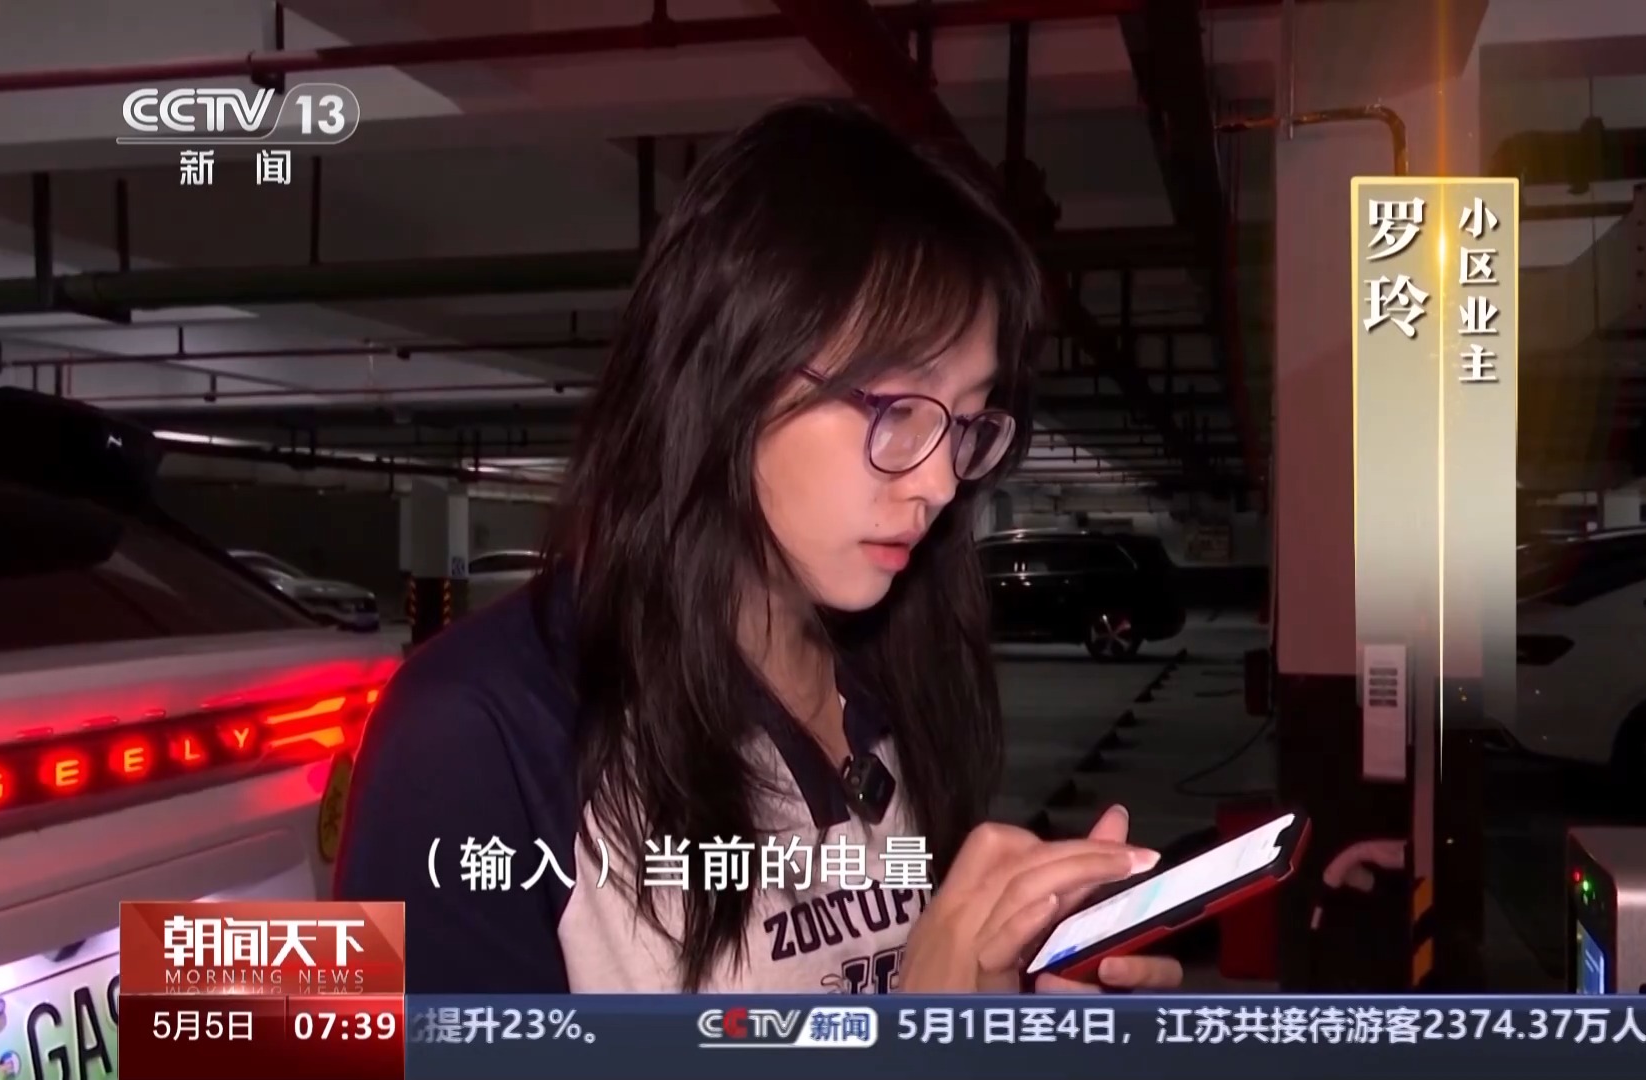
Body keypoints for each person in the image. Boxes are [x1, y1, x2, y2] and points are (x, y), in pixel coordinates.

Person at [334, 99, 1183, 996]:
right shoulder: (475, 733)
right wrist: (914, 1035)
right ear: (726, 375)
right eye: (898, 407)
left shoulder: (897, 681)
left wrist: (1015, 1005)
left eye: (967, 423)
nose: (940, 482)